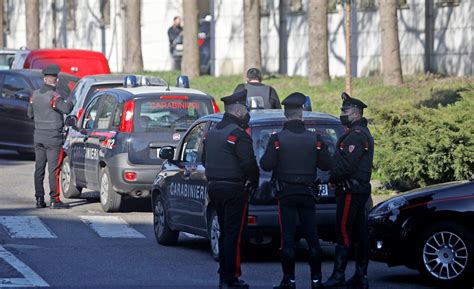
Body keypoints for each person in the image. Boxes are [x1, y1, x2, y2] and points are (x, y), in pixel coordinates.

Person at [259, 92, 332, 289]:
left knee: (288, 238)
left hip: (286, 195)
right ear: (301, 113)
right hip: (308, 194)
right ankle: (316, 281)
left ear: (285, 114)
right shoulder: (314, 139)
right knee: (312, 238)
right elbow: (326, 164)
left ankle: (289, 281)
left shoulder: (277, 139)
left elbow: (266, 164)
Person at [203, 89, 259, 289]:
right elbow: (249, 164)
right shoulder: (238, 134)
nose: (247, 113)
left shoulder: (213, 132)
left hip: (214, 188)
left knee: (225, 232)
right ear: (237, 110)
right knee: (233, 235)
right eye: (245, 109)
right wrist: (254, 182)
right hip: (234, 189)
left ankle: (223, 275)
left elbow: (203, 159)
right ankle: (231, 277)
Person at [323, 93, 374, 289]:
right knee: (359, 232)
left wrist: (333, 179)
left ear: (355, 112)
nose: (342, 114)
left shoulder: (357, 135)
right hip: (358, 190)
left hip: (350, 190)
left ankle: (339, 276)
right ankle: (360, 276)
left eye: (345, 111)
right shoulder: (359, 133)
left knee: (343, 230)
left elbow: (347, 164)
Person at [27, 64, 73, 209]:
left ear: (44, 79)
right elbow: (66, 109)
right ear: (56, 80)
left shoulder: (34, 95)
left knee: (39, 169)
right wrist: (71, 98)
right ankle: (55, 199)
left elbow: (29, 115)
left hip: (38, 137)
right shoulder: (55, 97)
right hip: (53, 139)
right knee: (54, 170)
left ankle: (39, 199)